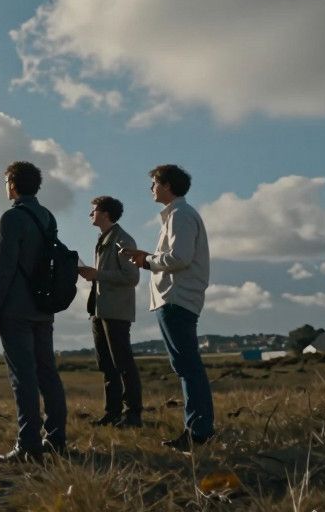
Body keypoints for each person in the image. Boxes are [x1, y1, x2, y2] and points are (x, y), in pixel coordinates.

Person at [121, 164, 215, 451]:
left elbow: (179, 258)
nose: (151, 189)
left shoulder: (180, 215)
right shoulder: (178, 215)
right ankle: (198, 430)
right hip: (176, 298)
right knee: (187, 366)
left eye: (153, 183)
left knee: (188, 367)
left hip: (176, 298)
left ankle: (199, 432)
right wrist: (147, 258)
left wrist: (148, 260)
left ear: (166, 185)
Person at [0, 161, 67, 462]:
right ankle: (56, 439)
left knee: (23, 377)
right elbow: (36, 255)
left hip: (16, 309)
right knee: (47, 373)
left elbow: (5, 267)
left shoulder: (12, 217)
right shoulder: (47, 216)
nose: (6, 186)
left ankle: (28, 445)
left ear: (14, 185)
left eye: (6, 181)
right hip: (43, 307)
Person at [78, 196, 143, 428]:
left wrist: (98, 275)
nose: (90, 214)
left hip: (116, 311)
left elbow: (132, 277)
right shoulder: (104, 239)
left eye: (93, 210)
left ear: (105, 213)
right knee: (106, 364)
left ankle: (132, 414)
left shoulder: (122, 240)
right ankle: (112, 412)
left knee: (123, 363)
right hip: (100, 309)